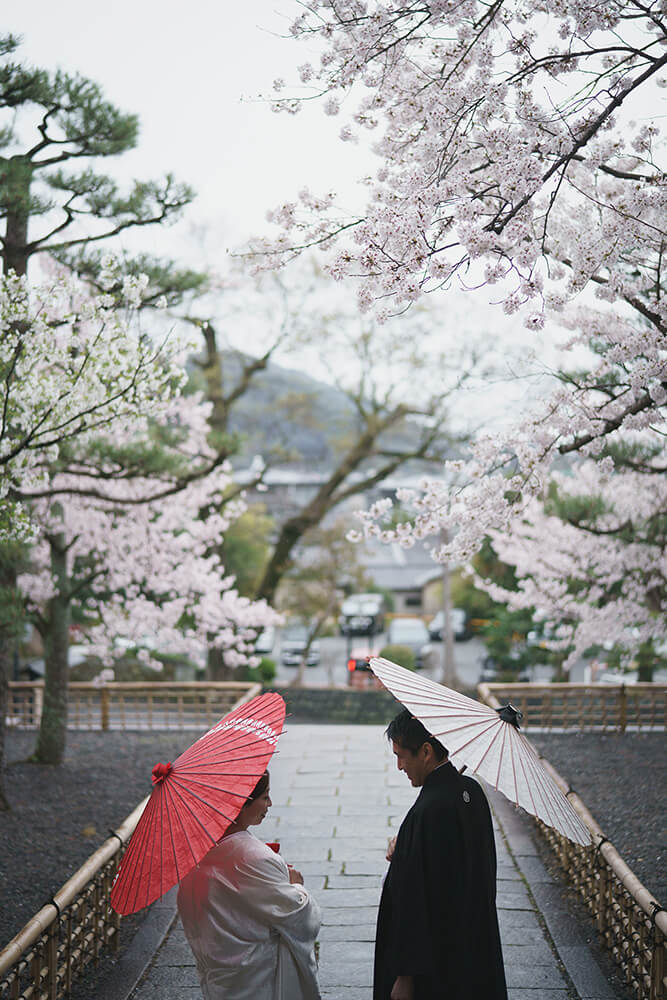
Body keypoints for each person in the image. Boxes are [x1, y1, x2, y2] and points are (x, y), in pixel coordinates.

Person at [374, 709, 507, 1000]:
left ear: (425, 751)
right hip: (472, 939)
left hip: (434, 961)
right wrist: (407, 843)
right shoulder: (470, 791)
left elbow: (415, 898)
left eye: (401, 755)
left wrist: (405, 976)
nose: (399, 766)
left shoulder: (429, 810)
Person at [177, 771, 321, 1000]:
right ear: (242, 802)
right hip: (258, 975)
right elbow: (300, 917)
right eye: (265, 797)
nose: (270, 804)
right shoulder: (254, 857)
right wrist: (297, 886)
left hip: (219, 971)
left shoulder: (196, 852)